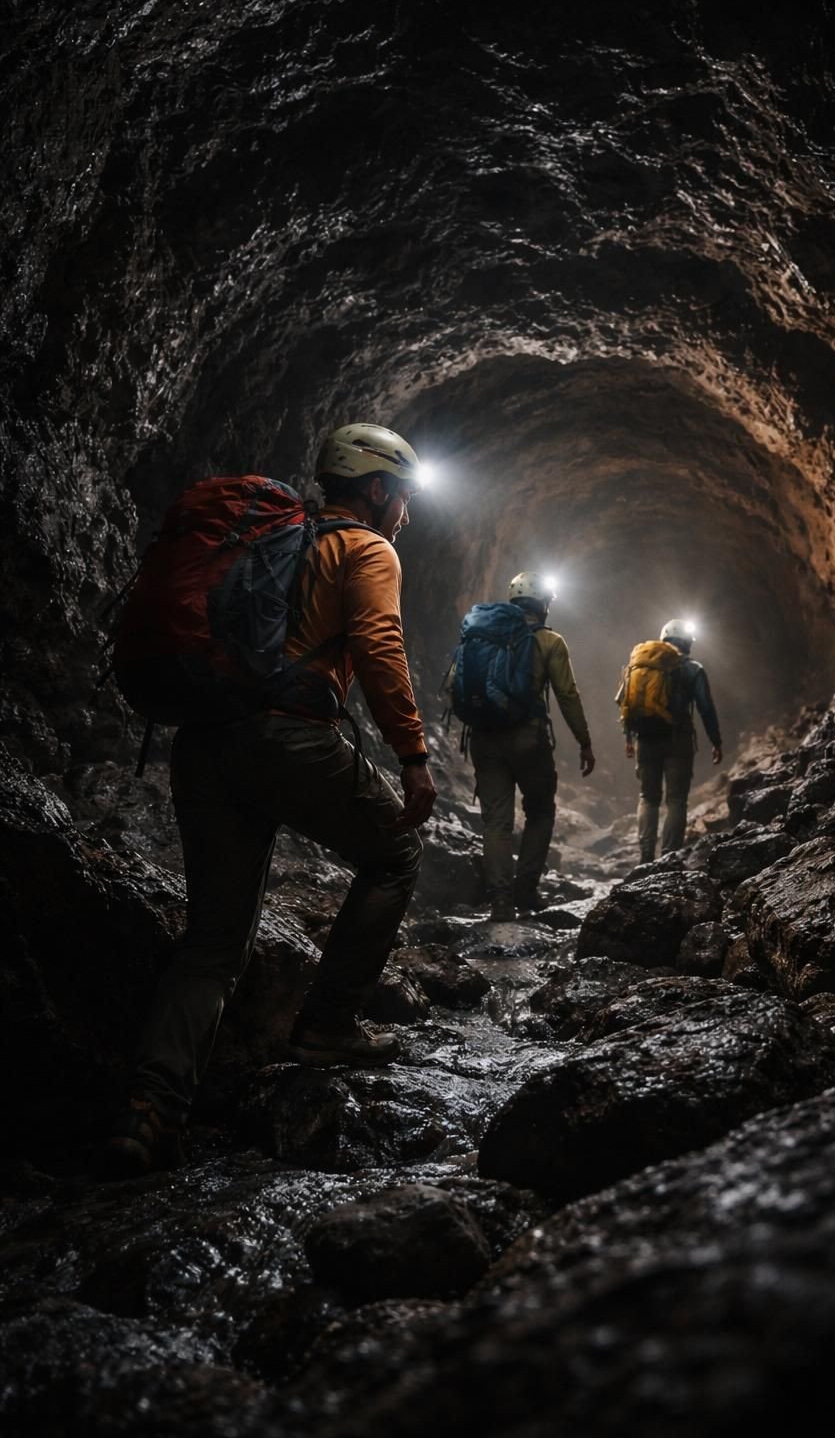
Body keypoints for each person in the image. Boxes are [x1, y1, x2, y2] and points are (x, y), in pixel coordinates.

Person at [105, 423, 436, 1176]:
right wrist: (412, 756)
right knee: (394, 855)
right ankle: (326, 1023)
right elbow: (381, 646)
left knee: (214, 943)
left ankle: (149, 1108)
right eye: (405, 498)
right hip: (289, 739)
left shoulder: (274, 543)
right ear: (379, 489)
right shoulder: (364, 549)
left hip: (205, 743)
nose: (407, 516)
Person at [460, 572, 595, 920]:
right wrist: (584, 740)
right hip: (527, 738)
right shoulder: (550, 641)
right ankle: (526, 890)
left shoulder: (483, 634)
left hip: (484, 737)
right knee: (540, 812)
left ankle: (501, 901)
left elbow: (452, 684)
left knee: (496, 823)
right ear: (543, 604)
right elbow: (566, 694)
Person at [620, 619, 722, 863]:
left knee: (648, 797)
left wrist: (628, 738)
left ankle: (645, 857)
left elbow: (626, 701)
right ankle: (668, 857)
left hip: (645, 737)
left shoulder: (641, 664)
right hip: (679, 738)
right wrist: (715, 740)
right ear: (687, 642)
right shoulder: (693, 668)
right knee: (676, 799)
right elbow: (705, 707)